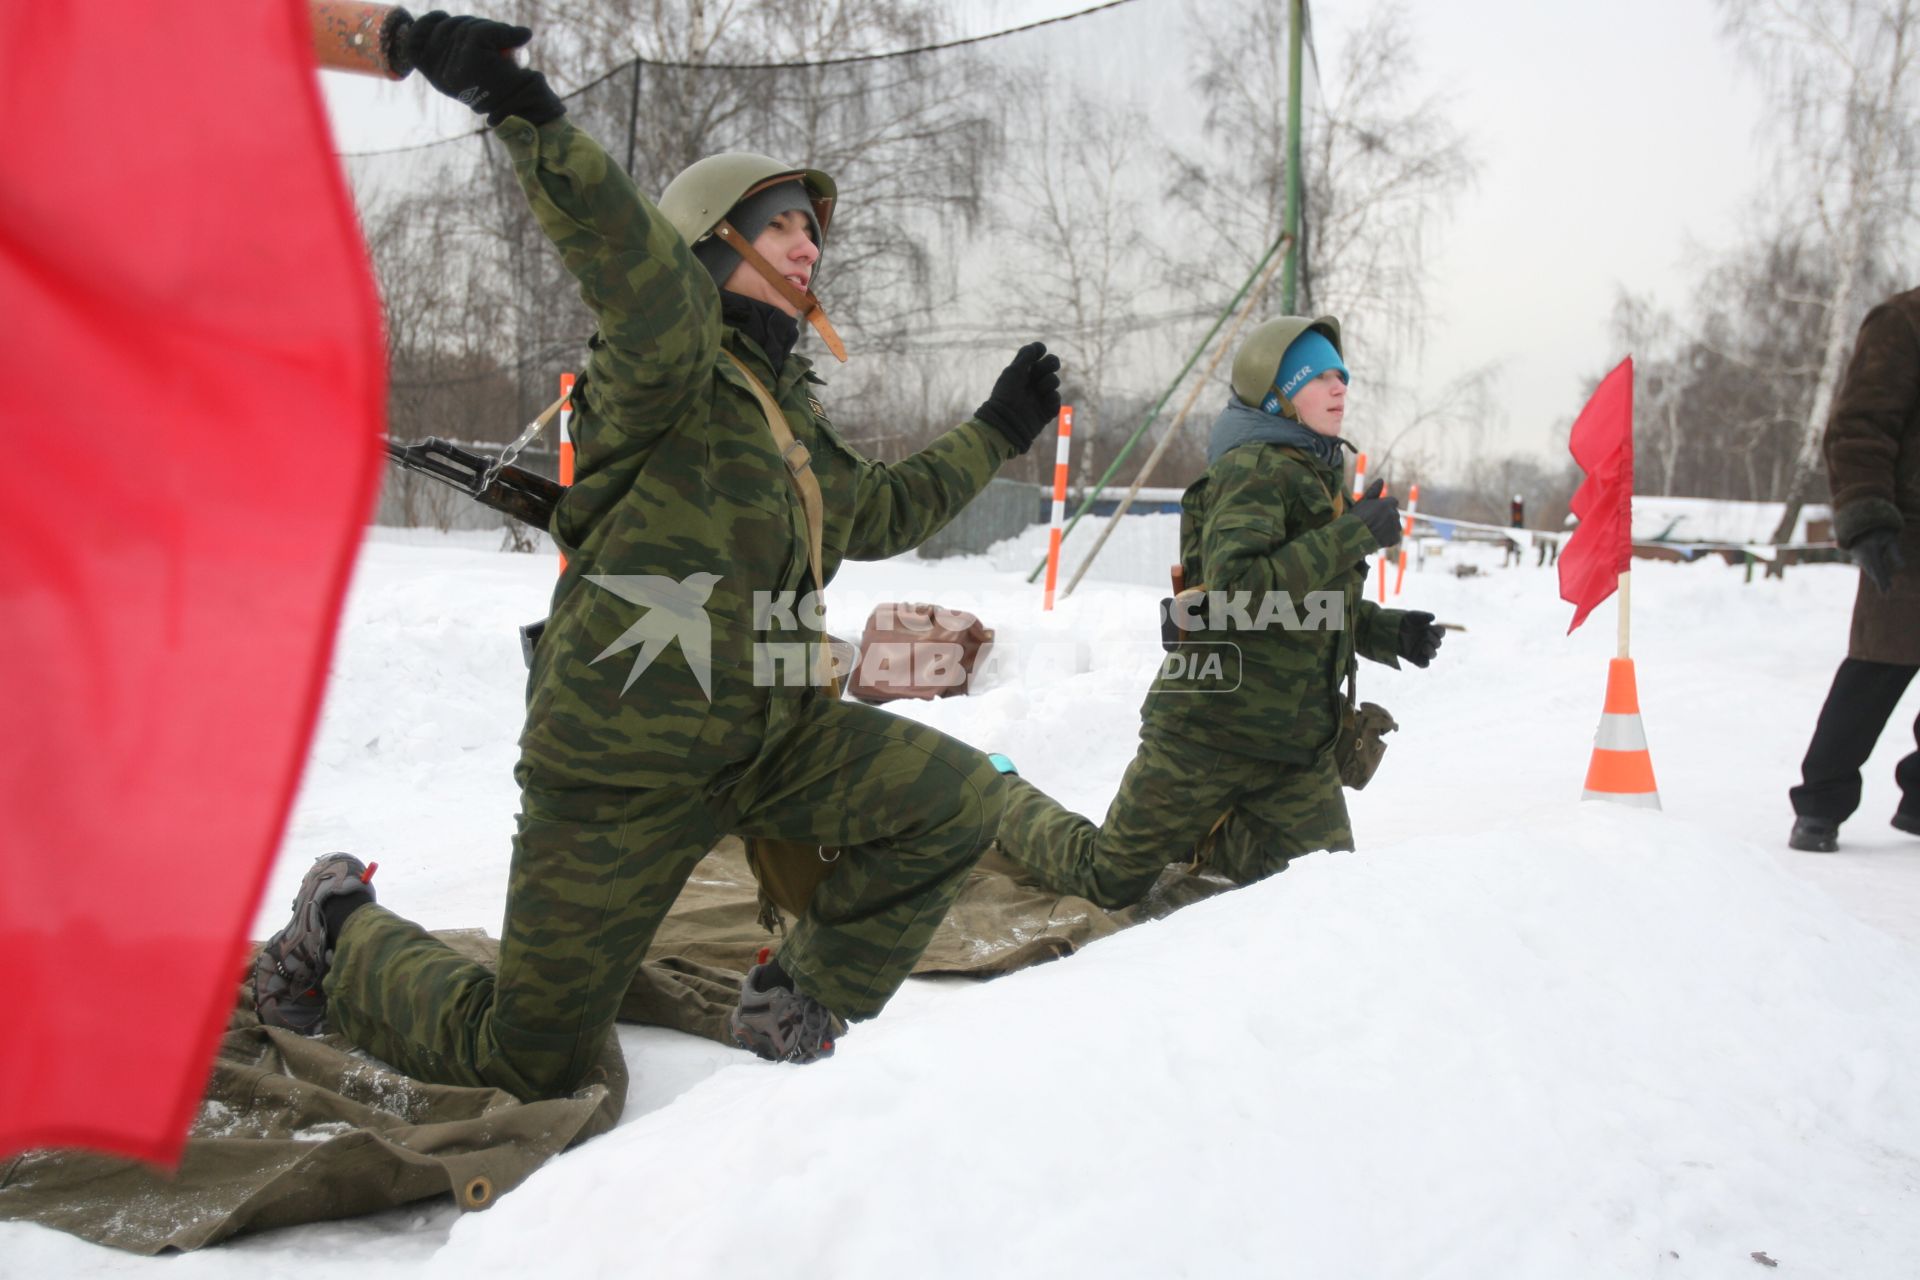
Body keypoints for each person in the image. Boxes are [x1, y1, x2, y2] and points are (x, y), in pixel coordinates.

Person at [253, 13, 1063, 1093]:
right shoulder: (663, 363)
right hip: (620, 766)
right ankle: (339, 921)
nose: (810, 246)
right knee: (529, 1059)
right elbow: (632, 262)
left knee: (957, 800)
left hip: (765, 745)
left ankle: (796, 997)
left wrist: (998, 428)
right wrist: (519, 106)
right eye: (781, 226)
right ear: (710, 242)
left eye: (813, 230)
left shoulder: (782, 417)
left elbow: (879, 510)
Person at [992, 316, 1445, 909]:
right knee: (1105, 882)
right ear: (1279, 393)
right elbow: (1236, 597)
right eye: (1322, 376)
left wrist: (1390, 631)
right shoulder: (1253, 469)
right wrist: (1352, 536)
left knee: (1327, 892)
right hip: (1208, 732)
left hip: (1292, 748)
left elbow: (1305, 604)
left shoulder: (1315, 472)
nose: (1341, 388)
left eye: (1344, 376)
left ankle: (1215, 834)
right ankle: (996, 793)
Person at [1788, 287, 1920, 852]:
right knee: (1879, 667)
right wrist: (1866, 518)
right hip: (1909, 533)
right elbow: (1859, 425)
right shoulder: (1905, 321)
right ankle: (1821, 804)